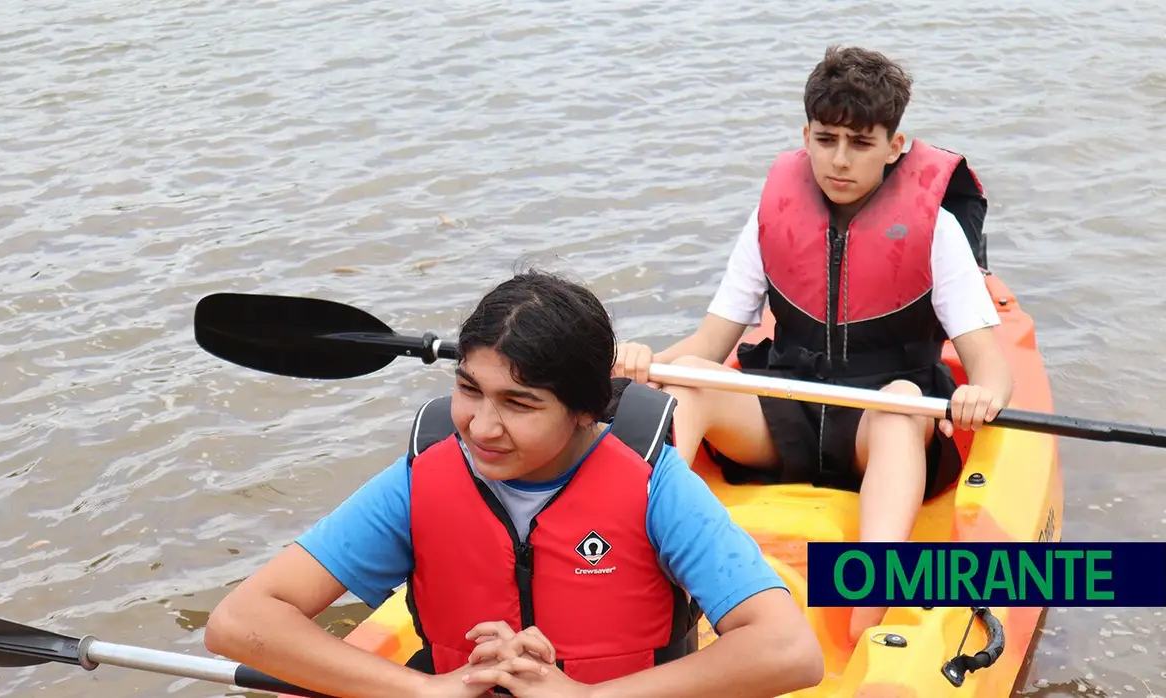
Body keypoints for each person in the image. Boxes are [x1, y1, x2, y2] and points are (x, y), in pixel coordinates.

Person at [204, 269, 824, 698]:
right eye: (469, 389)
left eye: (519, 404)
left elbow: (789, 652)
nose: (483, 426)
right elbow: (239, 621)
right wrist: (423, 688)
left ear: (586, 409)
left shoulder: (654, 485)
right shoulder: (425, 475)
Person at [613, 45, 1015, 645]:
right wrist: (645, 366)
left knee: (902, 400)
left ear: (895, 145)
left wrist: (982, 397)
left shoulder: (938, 229)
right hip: (784, 413)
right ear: (806, 135)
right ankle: (623, 562)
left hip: (875, 428)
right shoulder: (772, 213)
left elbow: (989, 363)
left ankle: (871, 610)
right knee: (690, 378)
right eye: (826, 140)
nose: (840, 160)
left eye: (861, 143)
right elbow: (712, 340)